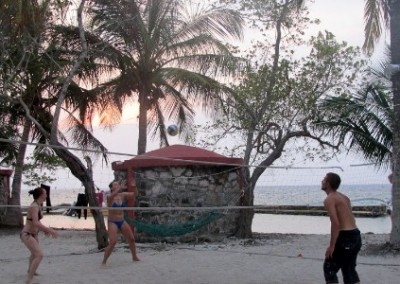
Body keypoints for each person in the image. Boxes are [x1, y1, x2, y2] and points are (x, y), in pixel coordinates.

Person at [321, 172, 362, 284]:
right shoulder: (344, 197)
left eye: (324, 179)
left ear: (328, 183)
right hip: (356, 235)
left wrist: (332, 246)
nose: (321, 181)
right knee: (349, 269)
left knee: (329, 268)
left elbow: (336, 223)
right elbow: (351, 218)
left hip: (345, 236)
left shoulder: (330, 199)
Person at [21, 186, 58, 284]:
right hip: (27, 234)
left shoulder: (38, 205)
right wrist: (50, 230)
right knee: (39, 255)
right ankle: (29, 279)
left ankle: (30, 271)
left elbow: (35, 224)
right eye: (45, 193)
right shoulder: (34, 206)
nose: (47, 195)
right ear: (41, 195)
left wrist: (44, 231)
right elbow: (36, 223)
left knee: (34, 254)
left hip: (33, 234)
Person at [101, 180, 139, 266]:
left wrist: (134, 186)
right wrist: (120, 188)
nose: (117, 185)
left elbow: (135, 195)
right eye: (115, 184)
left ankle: (134, 257)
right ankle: (104, 261)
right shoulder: (109, 197)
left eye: (118, 184)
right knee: (113, 242)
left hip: (121, 220)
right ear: (111, 188)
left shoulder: (122, 195)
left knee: (132, 239)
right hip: (112, 221)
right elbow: (111, 196)